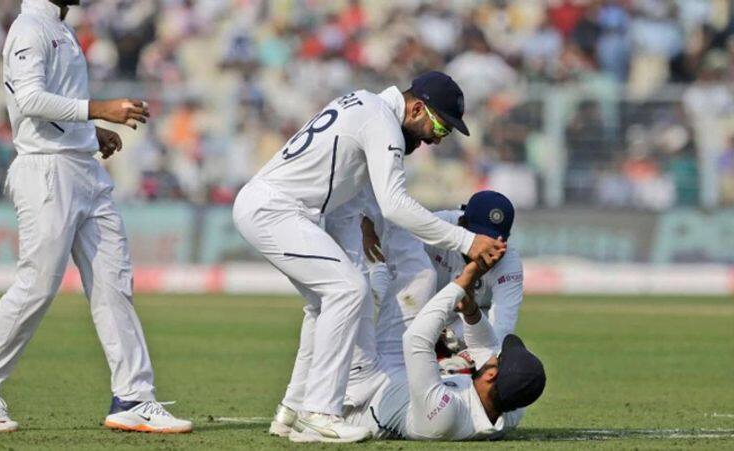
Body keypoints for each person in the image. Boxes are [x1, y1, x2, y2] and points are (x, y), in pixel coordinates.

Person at [0, 0, 191, 434]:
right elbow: (29, 99)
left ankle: (133, 397)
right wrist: (97, 110)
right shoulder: (29, 26)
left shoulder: (59, 26)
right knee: (38, 284)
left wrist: (88, 132)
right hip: (46, 170)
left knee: (114, 282)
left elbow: (57, 104)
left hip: (83, 167)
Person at [234, 71, 506, 443]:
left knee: (324, 304)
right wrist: (465, 240)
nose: (436, 140)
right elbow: (394, 204)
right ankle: (319, 413)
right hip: (276, 210)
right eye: (440, 128)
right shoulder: (382, 120)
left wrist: (364, 226)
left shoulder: (367, 106)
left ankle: (291, 411)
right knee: (348, 291)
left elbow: (353, 194)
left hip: (282, 209)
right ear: (416, 108)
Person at [278, 260, 545, 441]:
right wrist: (472, 311)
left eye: (497, 360)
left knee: (345, 295)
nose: (494, 355)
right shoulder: (510, 408)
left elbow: (416, 340)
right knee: (412, 275)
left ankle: (298, 410)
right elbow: (485, 348)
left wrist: (460, 284)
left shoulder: (447, 418)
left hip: (362, 394)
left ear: (490, 376)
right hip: (392, 374)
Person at [367, 190, 524, 373]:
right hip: (419, 316)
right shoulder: (438, 226)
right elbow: (392, 268)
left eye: (497, 240)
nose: (488, 248)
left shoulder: (509, 261)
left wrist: (473, 357)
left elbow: (502, 327)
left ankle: (454, 363)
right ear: (462, 223)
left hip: (464, 329)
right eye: (480, 237)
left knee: (502, 359)